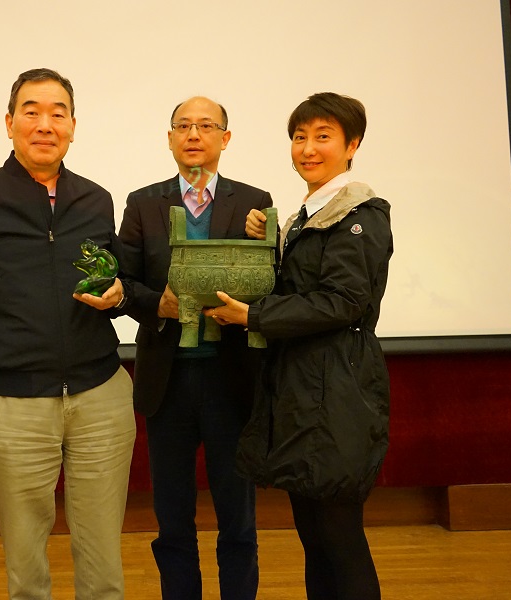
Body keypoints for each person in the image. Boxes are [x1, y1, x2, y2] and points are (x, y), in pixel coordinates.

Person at [0, 68, 136, 600]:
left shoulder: (96, 199)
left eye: (58, 113)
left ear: (73, 126)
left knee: (103, 561)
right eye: (32, 112)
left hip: (100, 396)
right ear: (9, 123)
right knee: (26, 566)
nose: (45, 124)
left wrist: (120, 296)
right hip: (13, 402)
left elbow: (113, 281)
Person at [205, 92, 393, 600]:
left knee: (340, 537)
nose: (308, 148)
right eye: (299, 137)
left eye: (323, 137)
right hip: (303, 389)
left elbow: (342, 301)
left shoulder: (360, 214)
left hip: (339, 390)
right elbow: (300, 286)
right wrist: (268, 241)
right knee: (314, 537)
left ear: (352, 145)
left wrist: (254, 316)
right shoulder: (306, 217)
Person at [117, 96, 272, 599]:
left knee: (238, 520)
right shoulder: (143, 203)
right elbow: (123, 281)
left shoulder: (253, 202)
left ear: (225, 138)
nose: (193, 134)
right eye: (183, 125)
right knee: (173, 520)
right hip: (168, 381)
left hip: (231, 379)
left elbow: (269, 278)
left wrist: (264, 239)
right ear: (169, 138)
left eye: (206, 126)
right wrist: (157, 305)